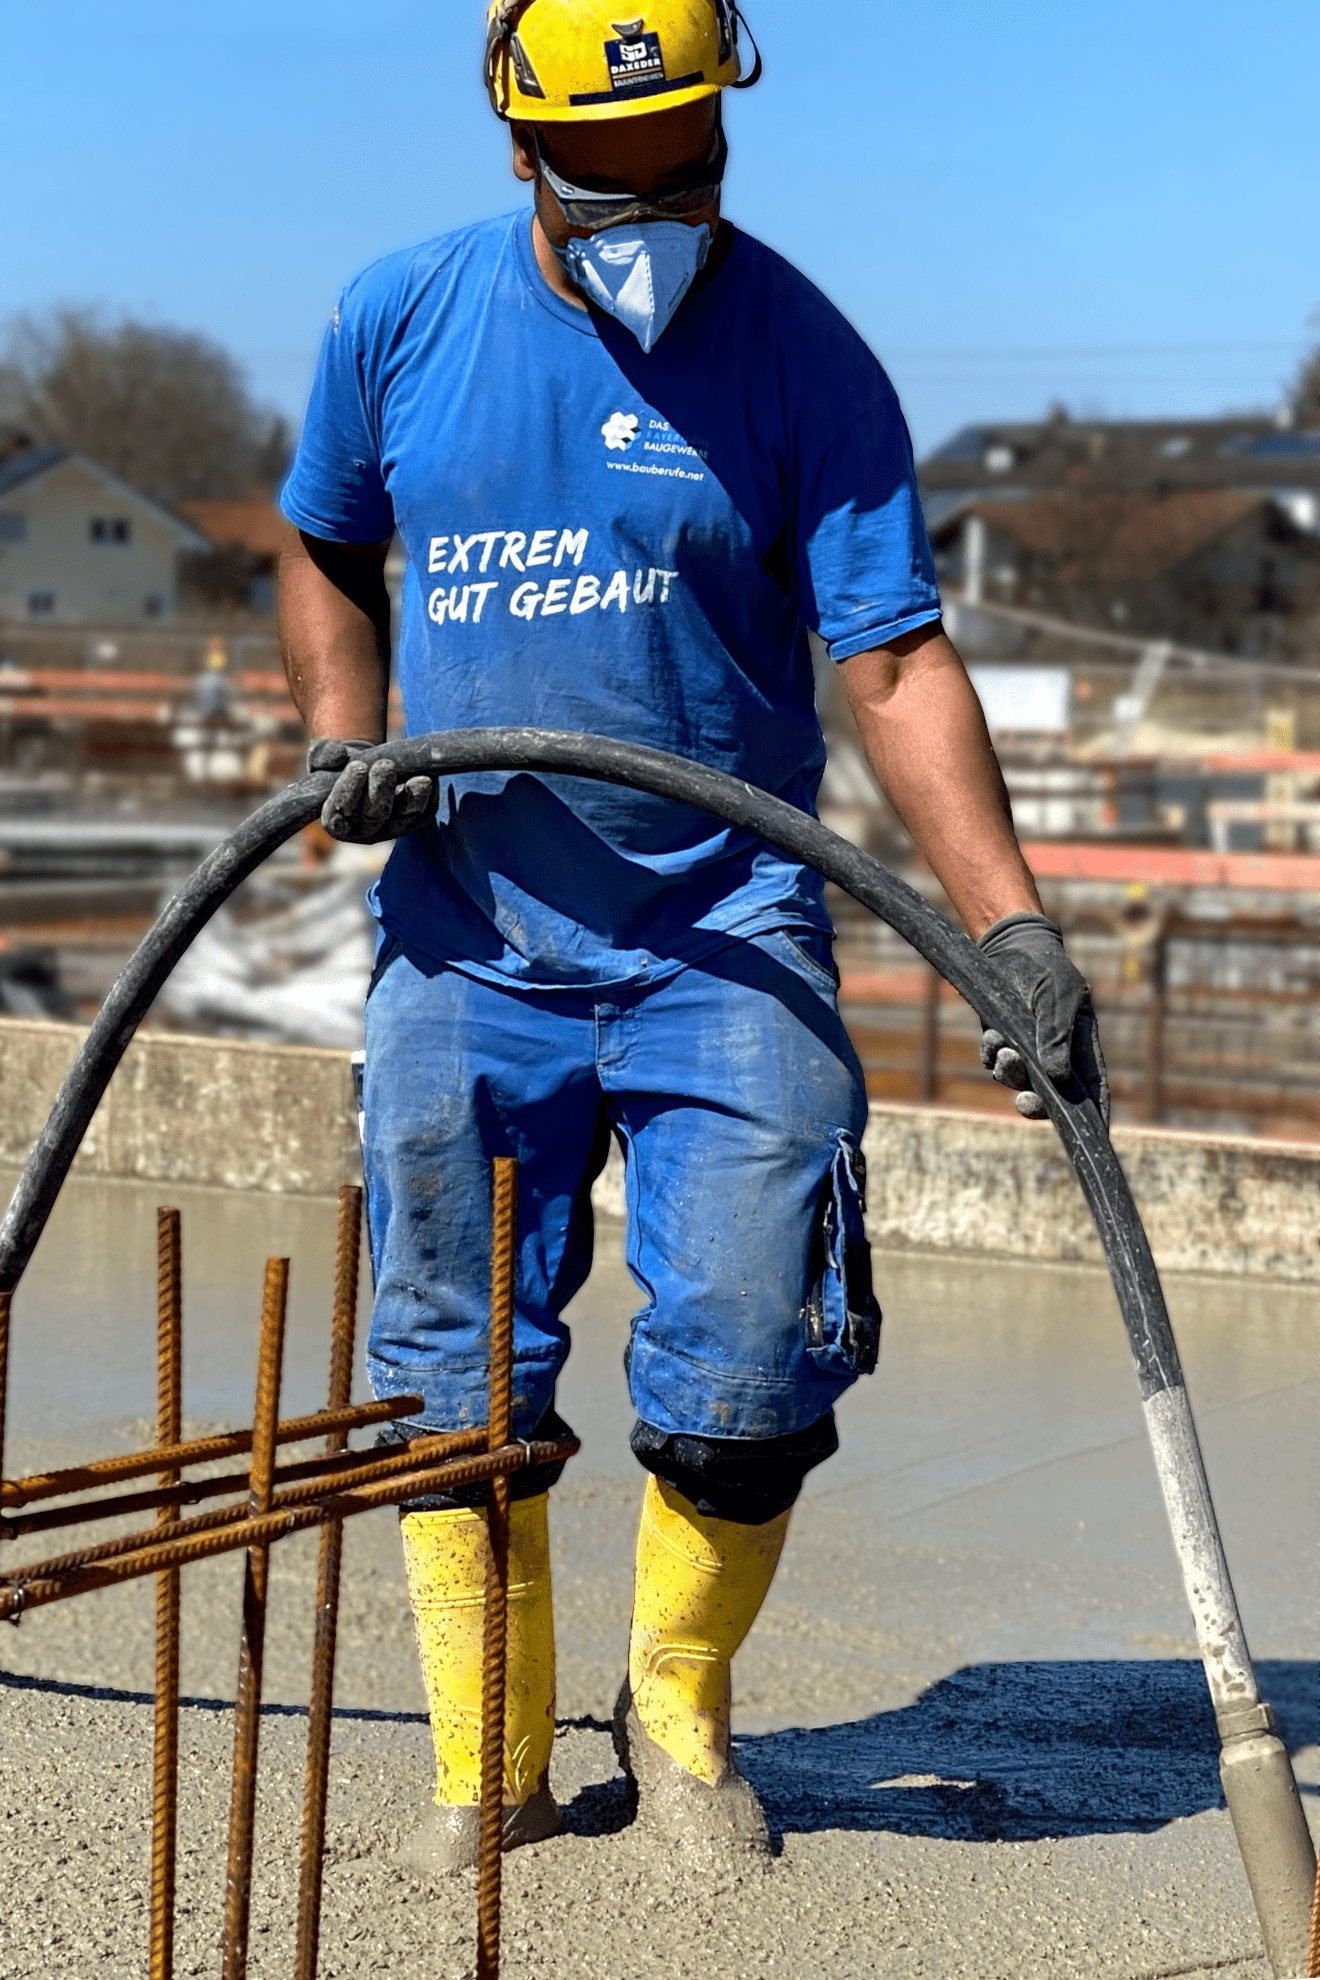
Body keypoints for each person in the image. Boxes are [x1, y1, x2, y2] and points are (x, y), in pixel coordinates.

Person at [277, 0, 1107, 1873]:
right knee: (452, 1376)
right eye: (607, 183)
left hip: (721, 930)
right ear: (516, 149)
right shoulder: (396, 319)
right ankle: (486, 1763)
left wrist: (1014, 926)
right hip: (467, 927)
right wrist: (342, 738)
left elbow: (887, 655)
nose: (656, 211)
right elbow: (323, 540)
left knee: (748, 1362)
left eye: (692, 171)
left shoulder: (805, 353)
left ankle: (678, 1719)